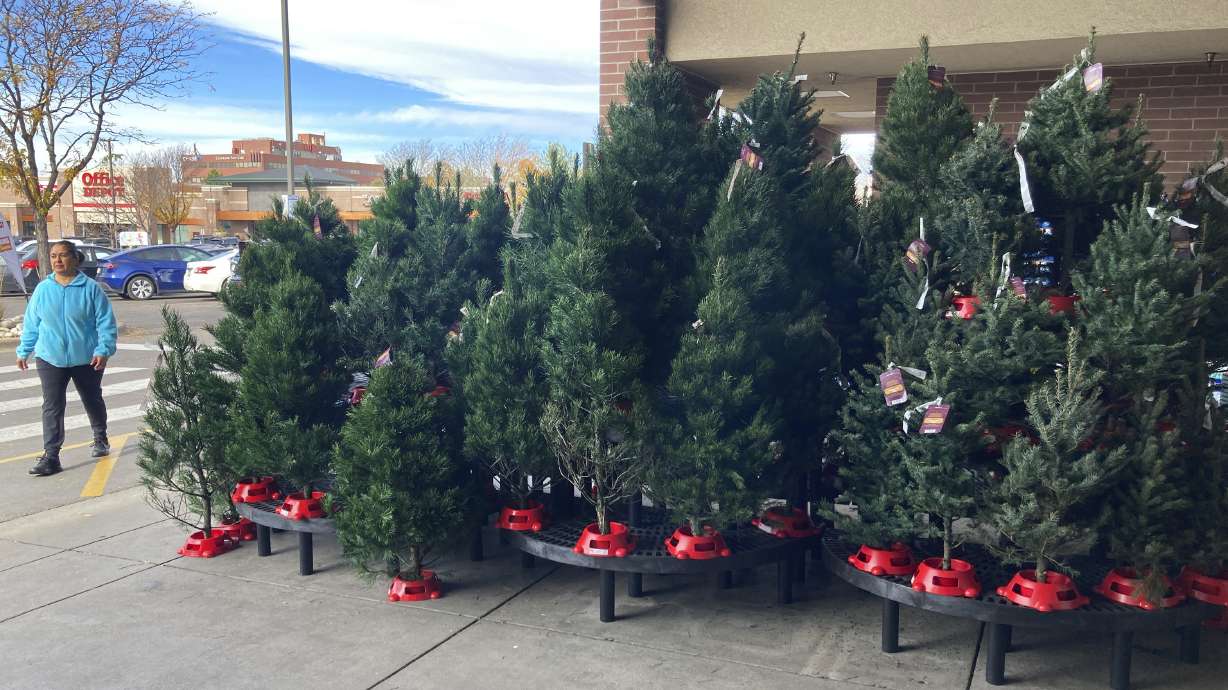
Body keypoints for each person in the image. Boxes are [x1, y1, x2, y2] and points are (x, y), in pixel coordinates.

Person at [16, 240, 118, 476]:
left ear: (75, 258)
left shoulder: (91, 288)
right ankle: (51, 456)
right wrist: (24, 350)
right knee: (52, 405)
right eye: (53, 256)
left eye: (63, 255)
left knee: (92, 399)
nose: (57, 260)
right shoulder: (43, 289)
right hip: (50, 357)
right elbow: (32, 323)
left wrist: (103, 349)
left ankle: (100, 437)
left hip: (87, 357)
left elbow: (106, 323)